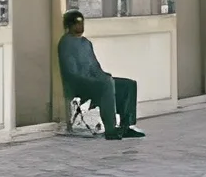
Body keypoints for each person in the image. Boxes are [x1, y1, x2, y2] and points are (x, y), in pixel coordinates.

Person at [56, 10, 145, 141]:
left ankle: (126, 126)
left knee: (128, 84)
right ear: (69, 25)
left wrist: (103, 76)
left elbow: (95, 67)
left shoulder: (86, 43)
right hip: (78, 84)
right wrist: (99, 80)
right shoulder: (66, 44)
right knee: (106, 84)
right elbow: (71, 73)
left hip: (94, 81)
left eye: (82, 23)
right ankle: (111, 129)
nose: (80, 26)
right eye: (77, 23)